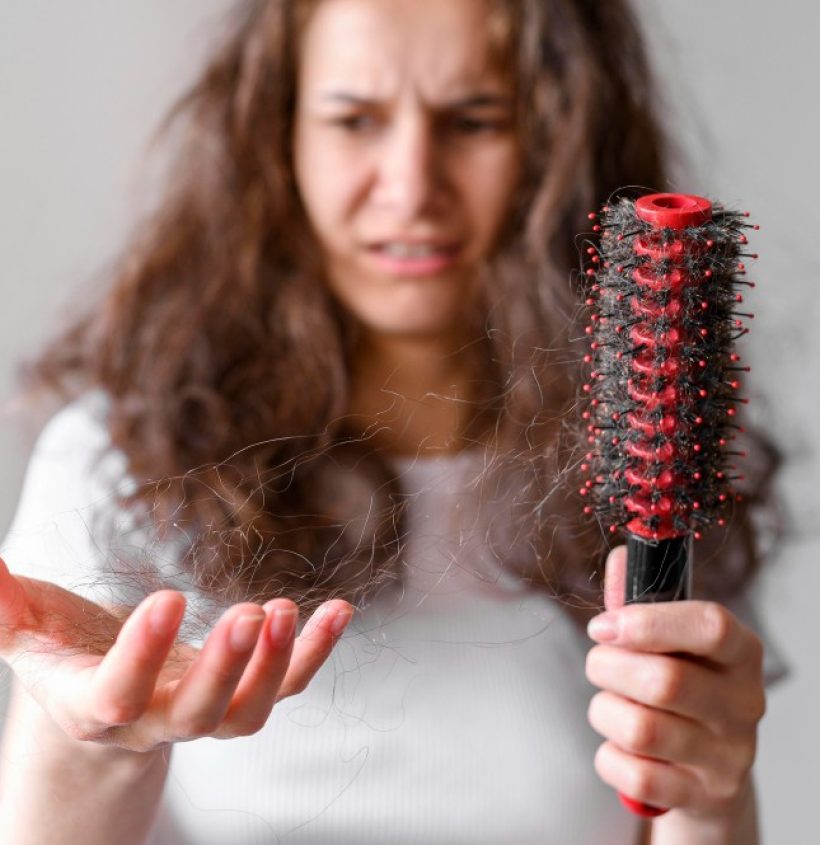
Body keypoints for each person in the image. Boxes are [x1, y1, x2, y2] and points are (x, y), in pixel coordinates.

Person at [0, 1, 782, 843]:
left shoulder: (651, 468)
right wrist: (95, 745)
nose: (410, 184)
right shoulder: (116, 467)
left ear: (559, 139)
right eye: (354, 120)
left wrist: (708, 793)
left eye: (474, 119)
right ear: (279, 136)